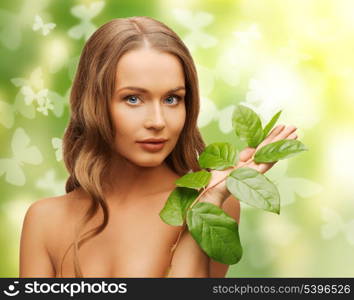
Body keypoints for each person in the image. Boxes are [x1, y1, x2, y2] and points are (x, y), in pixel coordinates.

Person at [19, 16, 298, 278]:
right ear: (93, 103)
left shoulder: (215, 203)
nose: (157, 121)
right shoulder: (44, 220)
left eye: (171, 99)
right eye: (133, 99)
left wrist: (209, 202)